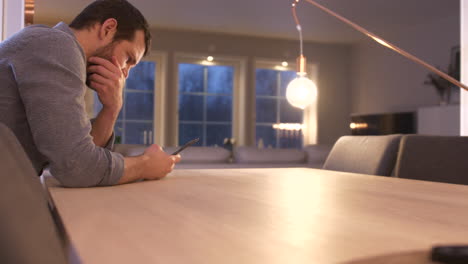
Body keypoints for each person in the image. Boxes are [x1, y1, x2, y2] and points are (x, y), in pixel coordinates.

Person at [0, 0, 180, 187]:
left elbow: (82, 153)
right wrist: (145, 165)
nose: (125, 73)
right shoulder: (57, 46)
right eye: (128, 59)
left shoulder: (53, 48)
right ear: (108, 29)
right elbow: (77, 167)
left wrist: (112, 108)